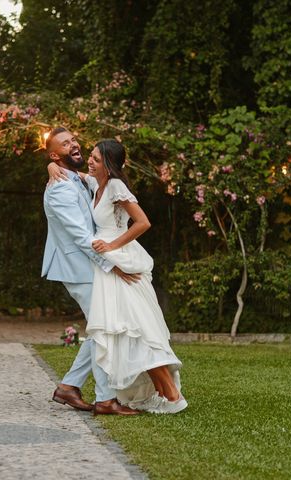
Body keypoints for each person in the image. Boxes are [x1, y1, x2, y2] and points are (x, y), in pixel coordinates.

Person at [48, 139, 187, 414]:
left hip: (118, 259)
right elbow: (75, 174)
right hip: (103, 264)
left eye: (96, 159)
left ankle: (164, 394)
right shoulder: (93, 184)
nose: (90, 160)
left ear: (109, 165)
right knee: (110, 328)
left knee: (134, 328)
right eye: (91, 156)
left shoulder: (114, 186)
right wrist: (51, 164)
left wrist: (113, 247)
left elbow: (143, 222)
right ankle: (109, 394)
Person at [42, 127, 141, 415]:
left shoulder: (74, 178)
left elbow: (97, 184)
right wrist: (113, 265)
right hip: (78, 268)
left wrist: (50, 166)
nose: (74, 145)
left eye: (73, 140)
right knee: (102, 328)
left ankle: (69, 387)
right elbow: (80, 235)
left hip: (88, 267)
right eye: (65, 144)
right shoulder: (60, 187)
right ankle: (106, 399)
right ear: (54, 154)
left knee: (101, 328)